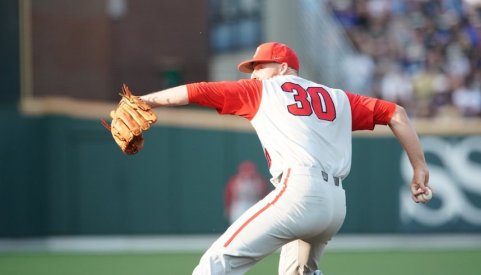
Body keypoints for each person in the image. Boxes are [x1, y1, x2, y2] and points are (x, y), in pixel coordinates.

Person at [139, 42, 430, 275]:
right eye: (251, 69)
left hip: (299, 193)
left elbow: (198, 91)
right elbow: (397, 114)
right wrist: (419, 167)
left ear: (282, 67)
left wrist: (145, 100)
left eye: (259, 66)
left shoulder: (263, 89)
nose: (252, 74)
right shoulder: (339, 98)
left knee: (216, 264)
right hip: (335, 205)